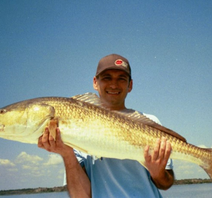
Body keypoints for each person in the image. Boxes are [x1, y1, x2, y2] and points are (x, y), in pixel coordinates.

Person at [38, 54, 174, 198]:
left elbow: (166, 183)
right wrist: (67, 154)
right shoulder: (75, 129)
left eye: (121, 79)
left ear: (130, 85)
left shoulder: (151, 122)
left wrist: (157, 172)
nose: (114, 85)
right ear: (95, 82)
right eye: (107, 78)